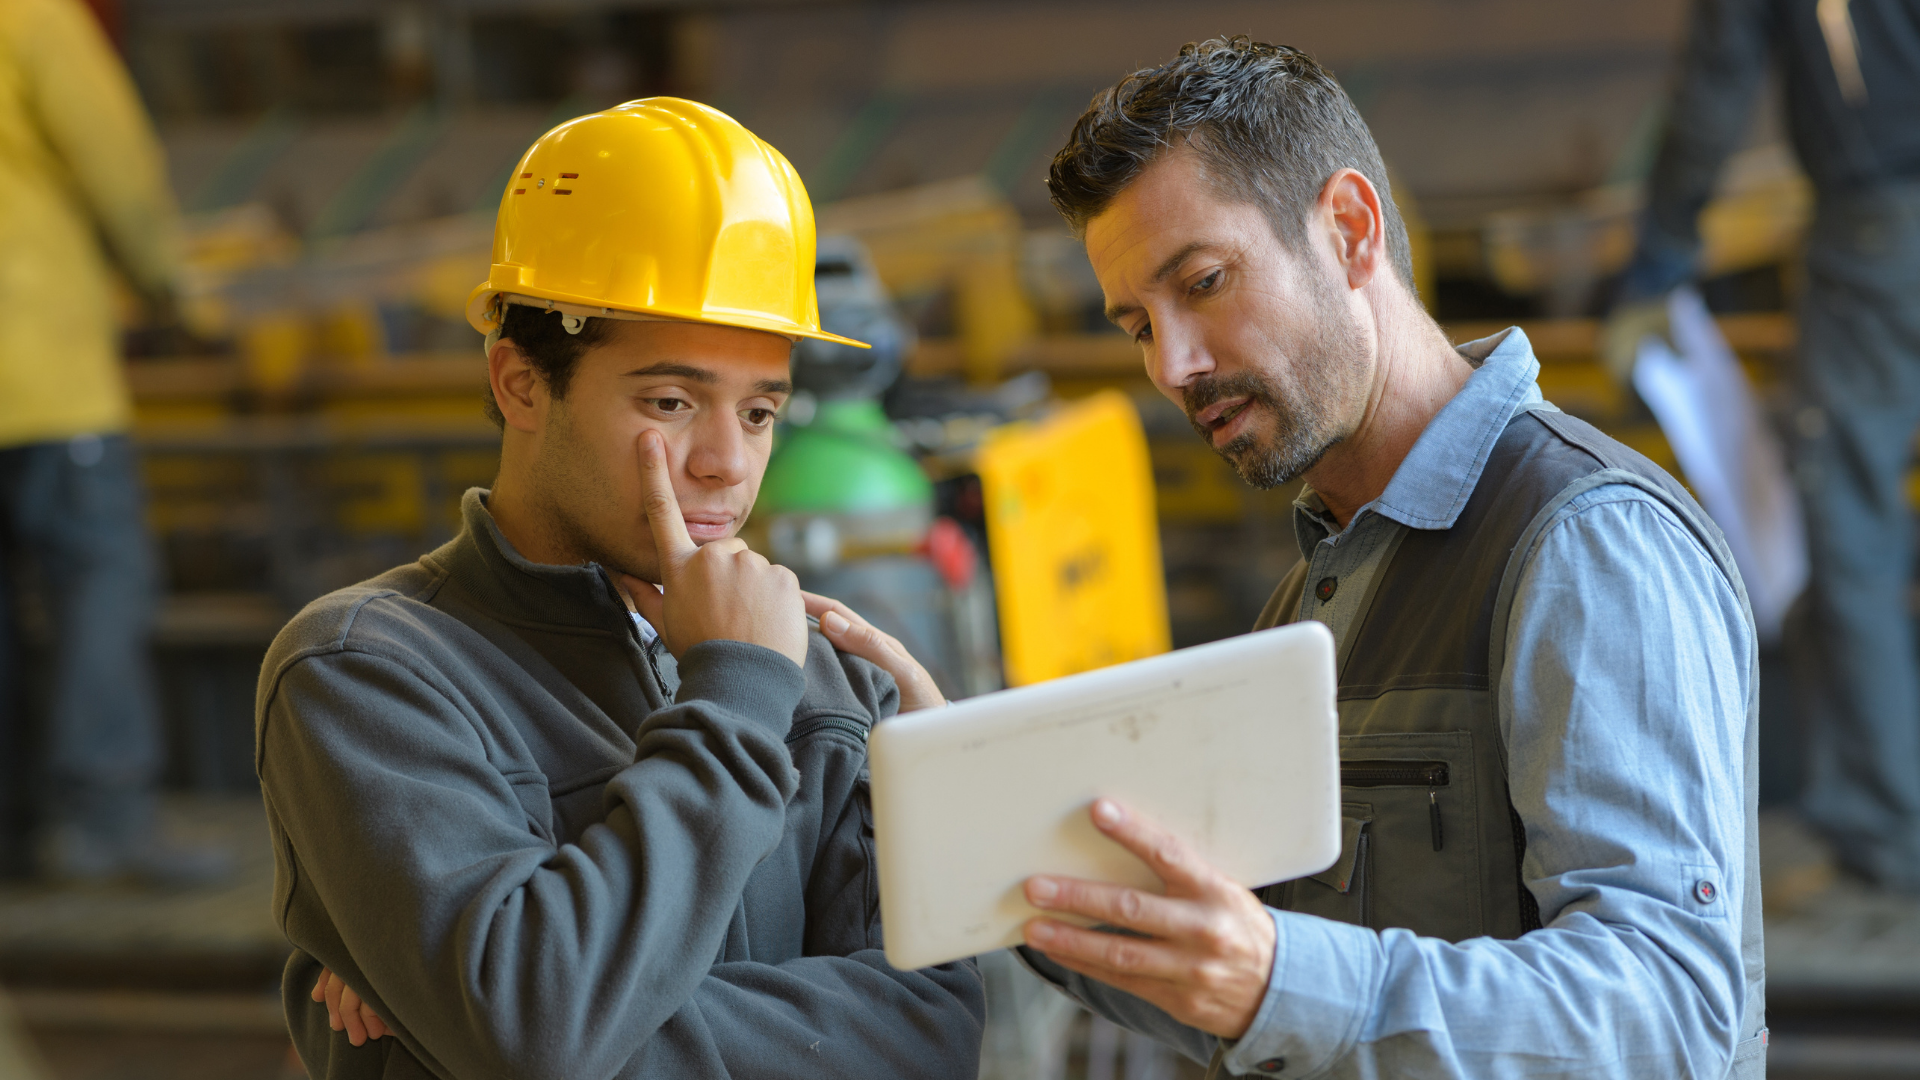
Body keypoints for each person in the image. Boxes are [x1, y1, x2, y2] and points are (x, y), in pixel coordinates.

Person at [1009, 38, 1767, 1078]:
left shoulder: (1582, 542)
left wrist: (1280, 981)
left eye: (1206, 282)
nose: (1174, 365)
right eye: (1139, 324)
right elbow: (1254, 994)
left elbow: (1667, 1018)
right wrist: (985, 848)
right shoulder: (1319, 594)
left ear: (1351, 230)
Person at [257, 99, 983, 1078]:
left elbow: (931, 1031)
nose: (728, 462)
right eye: (672, 402)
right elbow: (540, 1027)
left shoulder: (821, 675)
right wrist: (732, 698)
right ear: (520, 382)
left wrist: (511, 1016)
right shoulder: (367, 673)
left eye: (762, 410)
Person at [1605, 0, 1920, 893]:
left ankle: (1886, 832)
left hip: (1882, 235)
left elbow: (1715, 86)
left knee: (1849, 528)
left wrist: (1659, 260)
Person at [0, 0, 224, 883]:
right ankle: (105, 820)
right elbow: (117, 166)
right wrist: (176, 294)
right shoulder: (30, 17)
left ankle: (13, 833)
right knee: (100, 579)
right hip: (40, 373)